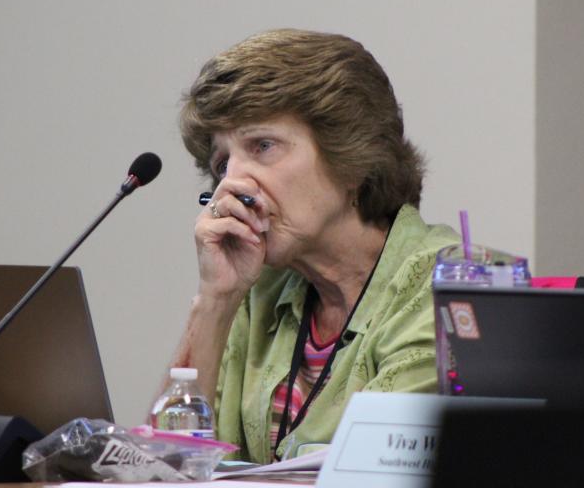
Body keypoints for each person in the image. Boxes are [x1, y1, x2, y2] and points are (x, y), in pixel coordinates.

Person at [167, 29, 458, 463]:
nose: (232, 182)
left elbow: (378, 471)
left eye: (262, 146)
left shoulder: (444, 288)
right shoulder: (260, 291)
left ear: (351, 157)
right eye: (222, 163)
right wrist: (216, 301)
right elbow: (167, 467)